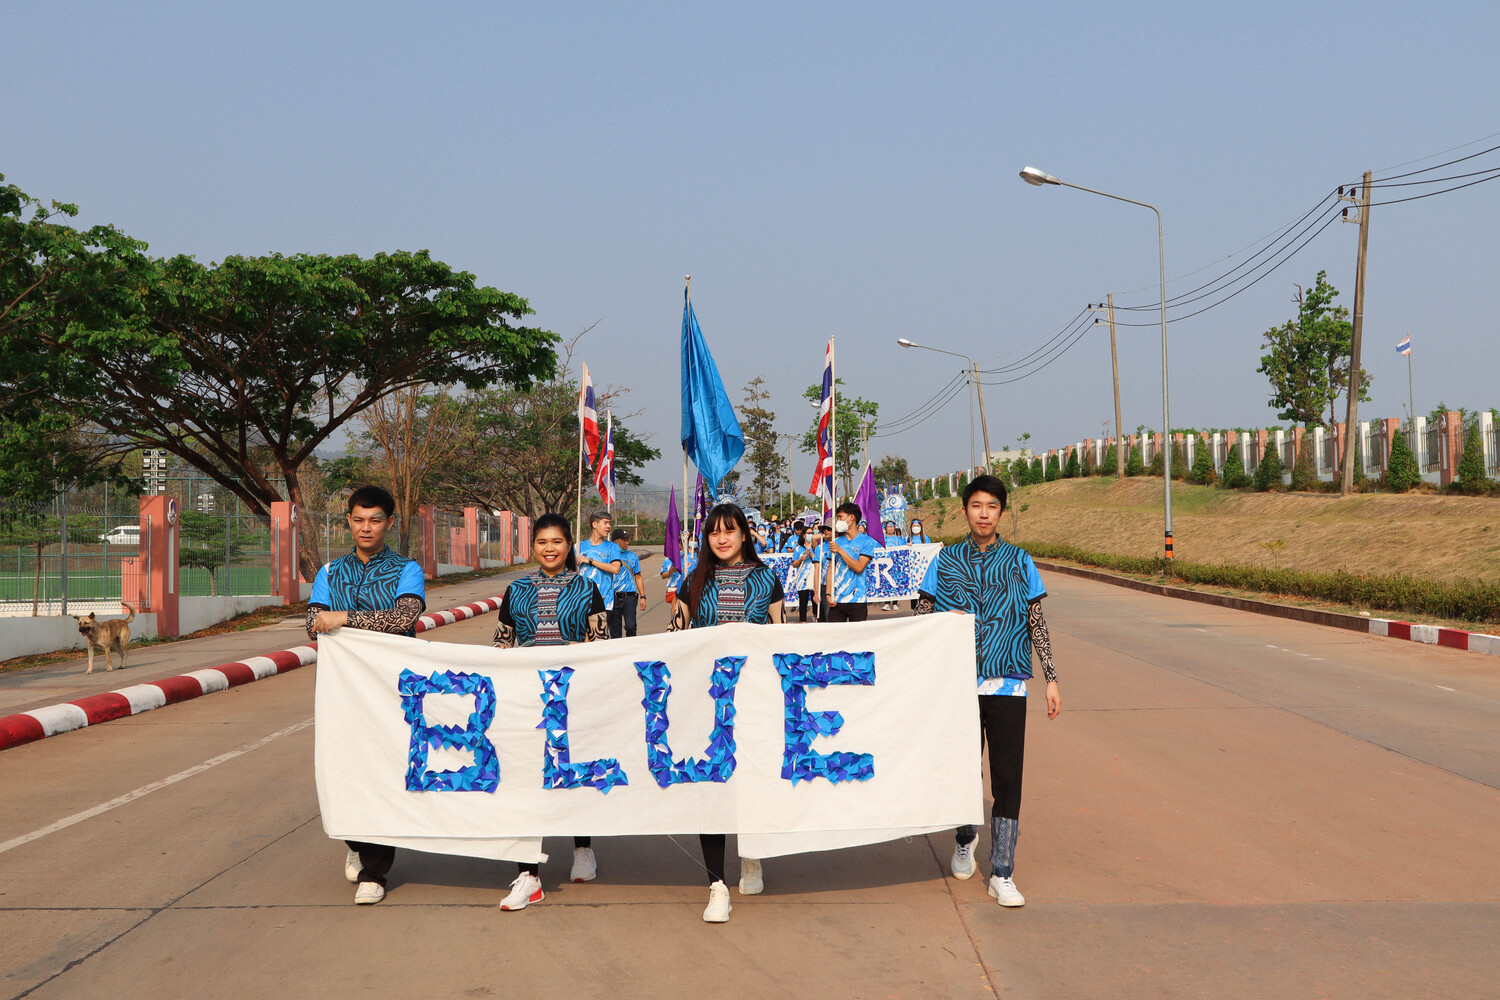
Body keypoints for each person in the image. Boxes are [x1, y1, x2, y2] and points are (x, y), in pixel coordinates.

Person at [915, 474, 1060, 908]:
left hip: (1008, 683)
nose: (983, 514)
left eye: (992, 506)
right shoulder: (945, 560)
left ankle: (1002, 871)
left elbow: (1036, 621)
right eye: (976, 505)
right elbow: (922, 615)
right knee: (963, 769)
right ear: (964, 510)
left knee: (1007, 777)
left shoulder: (1019, 561)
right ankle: (965, 838)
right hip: (956, 683)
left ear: (1001, 512)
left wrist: (1051, 677)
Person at [306, 485, 427, 906]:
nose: (366, 527)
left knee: (382, 772)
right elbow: (313, 622)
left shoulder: (407, 569)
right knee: (342, 772)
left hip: (393, 690)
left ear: (389, 523)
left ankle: (375, 872)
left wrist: (344, 618)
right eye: (358, 519)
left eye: (375, 520)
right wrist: (330, 620)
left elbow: (405, 617)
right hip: (341, 691)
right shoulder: (330, 572)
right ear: (348, 522)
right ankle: (356, 844)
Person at [670, 502, 784, 922]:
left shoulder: (766, 579)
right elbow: (674, 639)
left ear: (743, 535)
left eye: (729, 531)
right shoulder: (693, 580)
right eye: (714, 532)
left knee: (751, 782)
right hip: (704, 699)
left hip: (754, 697)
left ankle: (751, 857)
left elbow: (779, 639)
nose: (722, 539)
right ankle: (716, 885)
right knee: (711, 788)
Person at [492, 512, 609, 910]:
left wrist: (571, 651)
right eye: (542, 542)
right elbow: (502, 645)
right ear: (533, 547)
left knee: (574, 772)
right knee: (527, 780)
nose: (549, 548)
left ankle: (583, 849)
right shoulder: (516, 590)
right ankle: (528, 874)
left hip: (575, 697)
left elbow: (603, 643)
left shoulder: (587, 588)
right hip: (528, 700)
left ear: (568, 545)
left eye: (557, 541)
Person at [824, 500, 877, 623]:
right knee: (835, 634)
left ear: (851, 517)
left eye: (840, 517)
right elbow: (831, 569)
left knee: (858, 635)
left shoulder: (867, 541)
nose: (838, 521)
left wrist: (840, 550)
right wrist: (828, 594)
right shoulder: (836, 541)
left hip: (857, 600)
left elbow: (859, 567)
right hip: (837, 600)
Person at [576, 510, 624, 617]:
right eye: (605, 523)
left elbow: (615, 569)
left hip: (605, 602)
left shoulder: (612, 547)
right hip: (582, 601)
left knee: (601, 628)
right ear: (594, 524)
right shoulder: (578, 547)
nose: (608, 526)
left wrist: (590, 561)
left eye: (610, 523)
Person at [607, 527, 647, 638]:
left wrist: (643, 597)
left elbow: (638, 577)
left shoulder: (633, 557)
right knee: (615, 630)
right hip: (613, 598)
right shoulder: (607, 557)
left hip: (629, 598)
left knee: (631, 626)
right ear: (615, 542)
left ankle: (632, 647)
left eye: (628, 539)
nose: (627, 542)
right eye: (624, 540)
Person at [788, 522, 816, 622]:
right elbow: (794, 564)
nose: (810, 535)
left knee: (815, 600)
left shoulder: (815, 547)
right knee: (803, 601)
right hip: (802, 579)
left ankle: (816, 617)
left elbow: (818, 561)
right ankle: (803, 620)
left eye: (812, 533)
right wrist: (801, 559)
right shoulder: (798, 549)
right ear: (804, 535)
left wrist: (811, 555)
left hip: (814, 577)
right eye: (808, 533)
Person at [879, 520, 906, 611]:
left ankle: (895, 603)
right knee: (886, 583)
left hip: (896, 564)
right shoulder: (882, 539)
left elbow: (904, 549)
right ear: (885, 528)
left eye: (892, 526)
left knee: (895, 582)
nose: (890, 528)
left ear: (894, 528)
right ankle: (886, 603)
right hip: (885, 563)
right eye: (888, 527)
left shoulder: (899, 539)